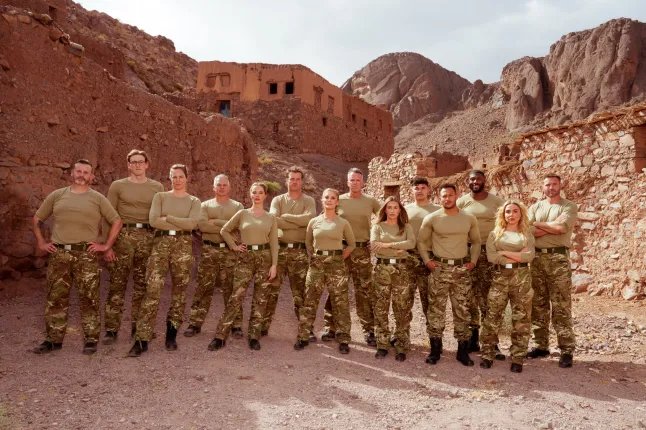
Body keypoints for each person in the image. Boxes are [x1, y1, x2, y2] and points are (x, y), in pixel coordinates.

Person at [32, 159, 122, 355]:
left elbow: (116, 221)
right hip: (59, 253)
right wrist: (41, 242)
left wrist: (106, 245)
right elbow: (37, 218)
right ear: (72, 173)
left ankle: (91, 339)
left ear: (91, 176)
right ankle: (53, 340)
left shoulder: (97, 198)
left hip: (86, 255)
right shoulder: (57, 195)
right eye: (78, 171)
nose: (81, 175)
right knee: (56, 297)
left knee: (89, 298)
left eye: (85, 172)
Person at [128, 164, 201, 357]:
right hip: (160, 246)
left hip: (183, 247)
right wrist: (180, 222)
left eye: (180, 176)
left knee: (179, 292)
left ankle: (171, 335)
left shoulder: (194, 201)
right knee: (152, 290)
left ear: (187, 178)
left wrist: (168, 217)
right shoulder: (160, 197)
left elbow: (192, 224)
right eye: (174, 176)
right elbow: (154, 221)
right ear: (169, 178)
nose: (177, 180)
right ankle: (142, 340)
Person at [102, 149, 164, 344]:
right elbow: (108, 216)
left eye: (140, 161)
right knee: (117, 284)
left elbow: (160, 215)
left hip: (148, 237)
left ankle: (139, 328)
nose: (137, 165)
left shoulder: (157, 187)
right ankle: (111, 330)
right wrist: (107, 245)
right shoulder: (117, 186)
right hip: (123, 237)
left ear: (147, 165)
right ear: (128, 165)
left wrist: (158, 244)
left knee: (142, 285)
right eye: (133, 162)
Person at [208, 182, 278, 351]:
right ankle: (220, 336)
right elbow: (225, 230)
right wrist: (234, 246)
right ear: (250, 194)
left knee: (260, 298)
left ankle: (254, 336)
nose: (257, 195)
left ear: (265, 195)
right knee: (236, 296)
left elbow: (274, 243)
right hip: (245, 258)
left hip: (264, 258)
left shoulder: (270, 217)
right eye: (254, 192)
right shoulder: (243, 213)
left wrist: (274, 265)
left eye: (260, 192)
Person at [418, 183, 480, 366]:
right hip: (440, 269)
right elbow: (421, 242)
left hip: (461, 270)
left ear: (457, 195)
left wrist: (473, 261)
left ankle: (462, 352)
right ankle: (435, 350)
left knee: (462, 311)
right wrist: (427, 261)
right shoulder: (432, 218)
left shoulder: (468, 218)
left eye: (450, 195)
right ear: (439, 197)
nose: (447, 199)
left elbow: (476, 242)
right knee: (436, 310)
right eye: (444, 196)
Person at [321, 168, 381, 346]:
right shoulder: (339, 200)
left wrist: (376, 238)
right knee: (336, 288)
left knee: (364, 291)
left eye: (358, 180)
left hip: (362, 251)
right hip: (342, 250)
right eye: (352, 180)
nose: (355, 183)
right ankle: (331, 327)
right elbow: (325, 219)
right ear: (347, 182)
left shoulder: (371, 201)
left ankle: (369, 330)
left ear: (363, 183)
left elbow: (385, 218)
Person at [294, 188, 355, 354]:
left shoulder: (343, 223)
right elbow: (308, 243)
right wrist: (315, 256)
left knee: (340, 302)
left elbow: (351, 244)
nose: (329, 200)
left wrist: (339, 258)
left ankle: (343, 338)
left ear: (337, 202)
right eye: (326, 197)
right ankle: (303, 335)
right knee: (309, 300)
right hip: (317, 265)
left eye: (333, 198)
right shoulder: (314, 222)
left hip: (336, 265)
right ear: (322, 200)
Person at [183, 174, 244, 338]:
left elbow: (238, 227)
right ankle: (195, 323)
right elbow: (203, 226)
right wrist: (227, 226)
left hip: (230, 251)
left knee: (231, 289)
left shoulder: (238, 206)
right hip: (209, 251)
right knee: (203, 288)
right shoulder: (204, 205)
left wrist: (215, 222)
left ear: (229, 187)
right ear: (213, 187)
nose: (222, 187)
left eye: (224, 185)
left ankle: (235, 325)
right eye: (219, 185)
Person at [527, 174, 577, 368]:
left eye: (554, 184)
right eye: (547, 184)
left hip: (558, 259)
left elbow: (561, 228)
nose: (551, 187)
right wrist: (551, 227)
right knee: (538, 304)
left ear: (560, 186)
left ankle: (566, 349)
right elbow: (527, 230)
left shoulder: (568, 206)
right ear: (543, 187)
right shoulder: (535, 208)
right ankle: (541, 345)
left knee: (561, 305)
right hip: (537, 259)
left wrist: (539, 226)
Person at [481, 200, 535, 373]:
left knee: (521, 318)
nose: (511, 215)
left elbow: (528, 257)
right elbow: (492, 257)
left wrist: (504, 252)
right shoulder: (495, 234)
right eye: (508, 212)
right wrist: (517, 255)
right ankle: (487, 354)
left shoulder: (526, 234)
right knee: (492, 316)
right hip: (500, 279)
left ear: (521, 214)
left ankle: (518, 357)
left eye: (515, 211)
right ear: (503, 215)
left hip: (521, 279)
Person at [262, 166, 316, 337]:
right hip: (279, 251)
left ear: (302, 182)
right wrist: (298, 222)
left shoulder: (309, 201)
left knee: (301, 293)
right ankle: (262, 327)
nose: (294, 182)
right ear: (286, 181)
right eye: (292, 179)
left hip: (299, 253)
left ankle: (306, 330)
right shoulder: (278, 200)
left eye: (298, 179)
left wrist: (287, 218)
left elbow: (310, 219)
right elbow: (273, 220)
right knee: (271, 290)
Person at [456, 170, 504, 356]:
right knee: (468, 296)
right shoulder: (462, 202)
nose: (475, 181)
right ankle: (472, 338)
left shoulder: (496, 202)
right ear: (467, 182)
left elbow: (506, 223)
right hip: (467, 252)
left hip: (489, 253)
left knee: (488, 298)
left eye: (478, 178)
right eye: (472, 179)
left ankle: (491, 342)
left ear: (485, 181)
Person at [371, 197, 416, 361]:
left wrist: (388, 245)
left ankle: (401, 345)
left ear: (400, 210)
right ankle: (382, 344)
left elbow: (411, 243)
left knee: (401, 308)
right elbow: (374, 246)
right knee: (381, 307)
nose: (392, 210)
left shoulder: (406, 227)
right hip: (382, 269)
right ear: (385, 210)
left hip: (401, 270)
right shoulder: (377, 226)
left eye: (395, 207)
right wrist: (399, 246)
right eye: (389, 207)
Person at [404, 177, 440, 344]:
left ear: (428, 190)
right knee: (404, 300)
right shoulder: (405, 210)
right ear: (411, 190)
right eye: (416, 188)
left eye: (423, 188)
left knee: (430, 301)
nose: (419, 191)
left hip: (429, 259)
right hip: (409, 258)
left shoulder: (438, 210)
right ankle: (402, 337)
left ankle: (434, 340)